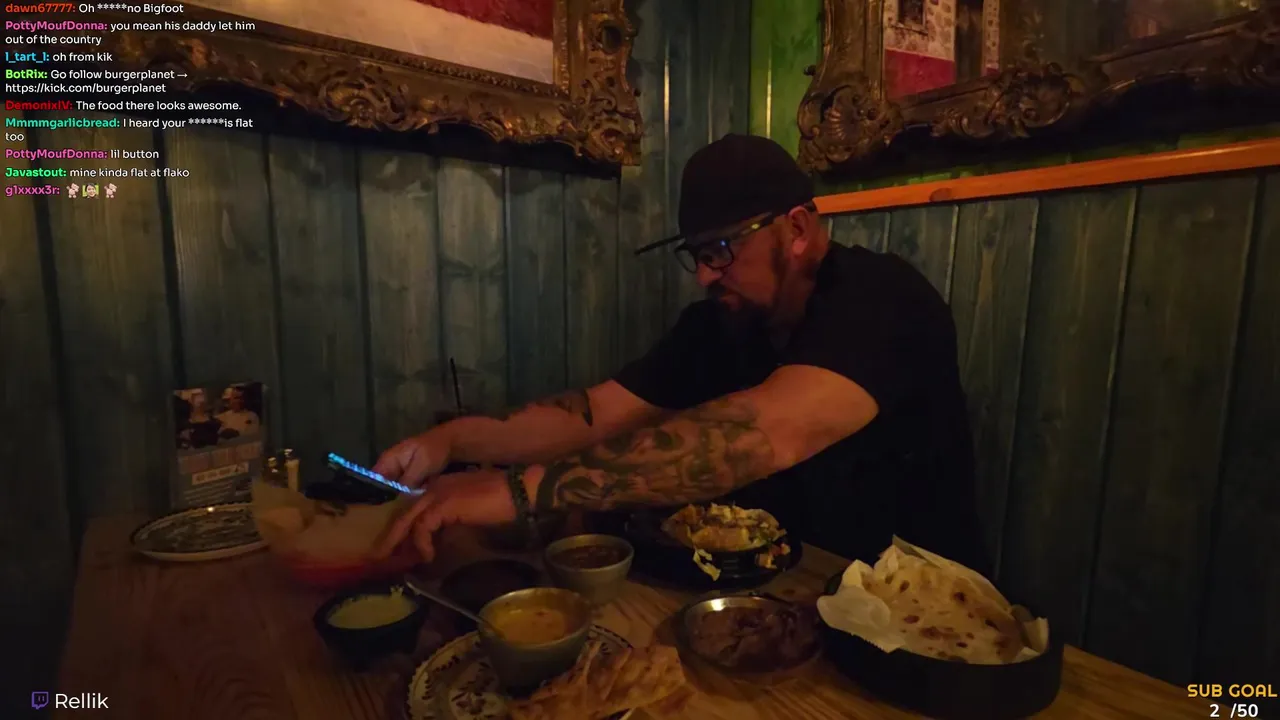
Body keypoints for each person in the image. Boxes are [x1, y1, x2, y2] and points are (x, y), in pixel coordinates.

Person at [373, 134, 990, 577]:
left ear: (798, 231)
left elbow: (764, 433)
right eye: (696, 255)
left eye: (721, 250)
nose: (703, 276)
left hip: (922, 611)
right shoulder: (722, 322)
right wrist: (451, 440)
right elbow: (595, 413)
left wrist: (516, 492)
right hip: (785, 591)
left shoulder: (883, 299)